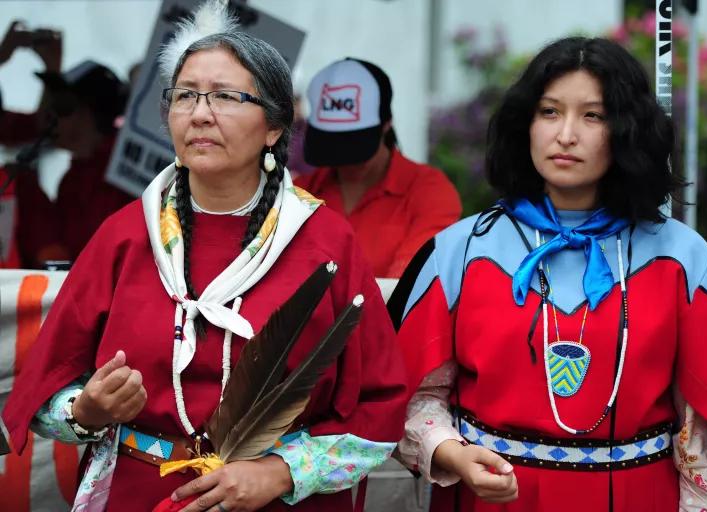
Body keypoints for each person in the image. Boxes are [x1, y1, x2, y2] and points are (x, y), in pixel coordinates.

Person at [2, 3, 407, 512]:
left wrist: (280, 473)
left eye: (225, 97)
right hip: (137, 493)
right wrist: (86, 409)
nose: (199, 113)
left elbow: (379, 408)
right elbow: (45, 390)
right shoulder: (127, 235)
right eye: (185, 95)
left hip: (271, 501)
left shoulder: (322, 241)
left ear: (274, 128)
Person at [389, 37, 707, 512]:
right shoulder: (459, 251)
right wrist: (453, 455)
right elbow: (410, 397)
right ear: (524, 123)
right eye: (549, 111)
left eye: (594, 116)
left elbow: (703, 435)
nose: (566, 134)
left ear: (627, 129)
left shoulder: (684, 258)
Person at [294, 58, 462, 278]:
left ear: (386, 123)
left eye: (353, 142)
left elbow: (409, 287)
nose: (344, 159)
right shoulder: (298, 193)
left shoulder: (429, 191)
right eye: (331, 143)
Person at [0, 21, 133, 268]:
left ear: (92, 113)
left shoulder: (125, 172)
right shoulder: (73, 179)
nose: (51, 116)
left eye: (62, 108)